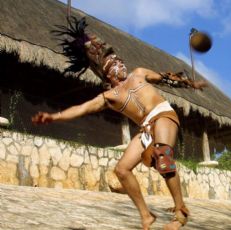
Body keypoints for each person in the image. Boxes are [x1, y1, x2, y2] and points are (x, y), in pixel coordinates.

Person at [31, 17, 206, 230]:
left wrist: (190, 84)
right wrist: (54, 117)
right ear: (106, 72)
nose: (119, 64)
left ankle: (180, 214)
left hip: (164, 115)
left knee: (163, 157)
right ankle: (146, 215)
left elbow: (167, 78)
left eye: (118, 60)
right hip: (146, 128)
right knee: (122, 170)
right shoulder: (109, 96)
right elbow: (81, 108)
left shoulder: (139, 73)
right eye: (112, 63)